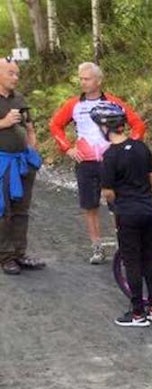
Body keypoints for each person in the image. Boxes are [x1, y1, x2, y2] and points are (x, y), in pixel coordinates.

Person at [49, 62, 146, 265]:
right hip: (85, 162)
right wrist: (67, 148)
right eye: (80, 78)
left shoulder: (113, 102)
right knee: (89, 205)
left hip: (111, 161)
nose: (82, 82)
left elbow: (138, 124)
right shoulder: (74, 104)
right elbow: (55, 125)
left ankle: (123, 244)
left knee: (117, 204)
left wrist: (130, 149)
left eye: (87, 78)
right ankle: (97, 247)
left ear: (98, 81)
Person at [94, 102, 152, 327]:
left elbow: (108, 193)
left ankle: (137, 314)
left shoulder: (110, 156)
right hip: (149, 210)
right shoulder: (141, 147)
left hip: (128, 213)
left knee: (131, 262)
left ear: (105, 127)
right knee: (149, 259)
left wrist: (119, 199)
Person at [0, 58, 44, 276]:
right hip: (2, 164)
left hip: (22, 162)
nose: (15, 78)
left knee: (21, 210)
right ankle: (6, 257)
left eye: (17, 73)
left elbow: (29, 126)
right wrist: (4, 123)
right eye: (10, 73)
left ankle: (20, 253)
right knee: (3, 211)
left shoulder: (19, 98)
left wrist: (32, 149)